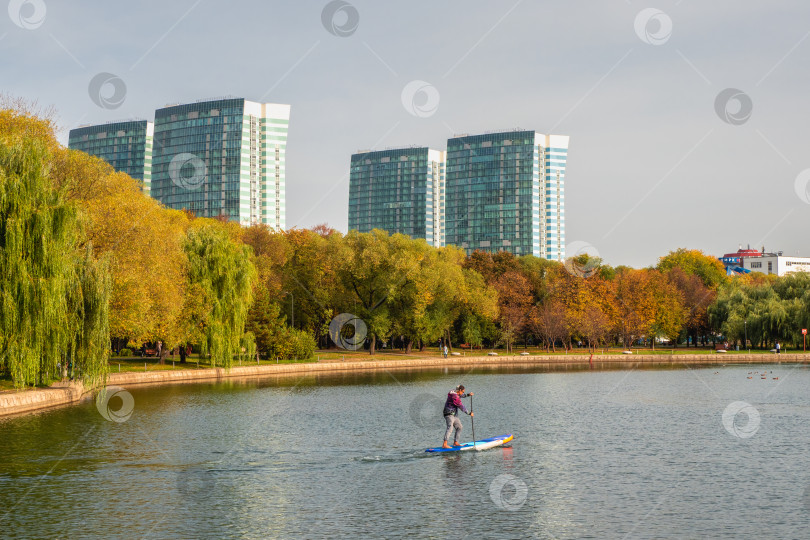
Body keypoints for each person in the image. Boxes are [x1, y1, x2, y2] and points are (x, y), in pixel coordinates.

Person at [442, 384, 473, 449]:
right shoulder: (455, 397)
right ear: (460, 390)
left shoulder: (454, 392)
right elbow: (461, 406)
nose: (463, 393)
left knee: (459, 427)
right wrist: (469, 413)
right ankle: (444, 444)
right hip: (448, 413)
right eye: (463, 391)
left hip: (454, 414)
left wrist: (467, 395)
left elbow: (460, 395)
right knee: (450, 428)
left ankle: (455, 443)